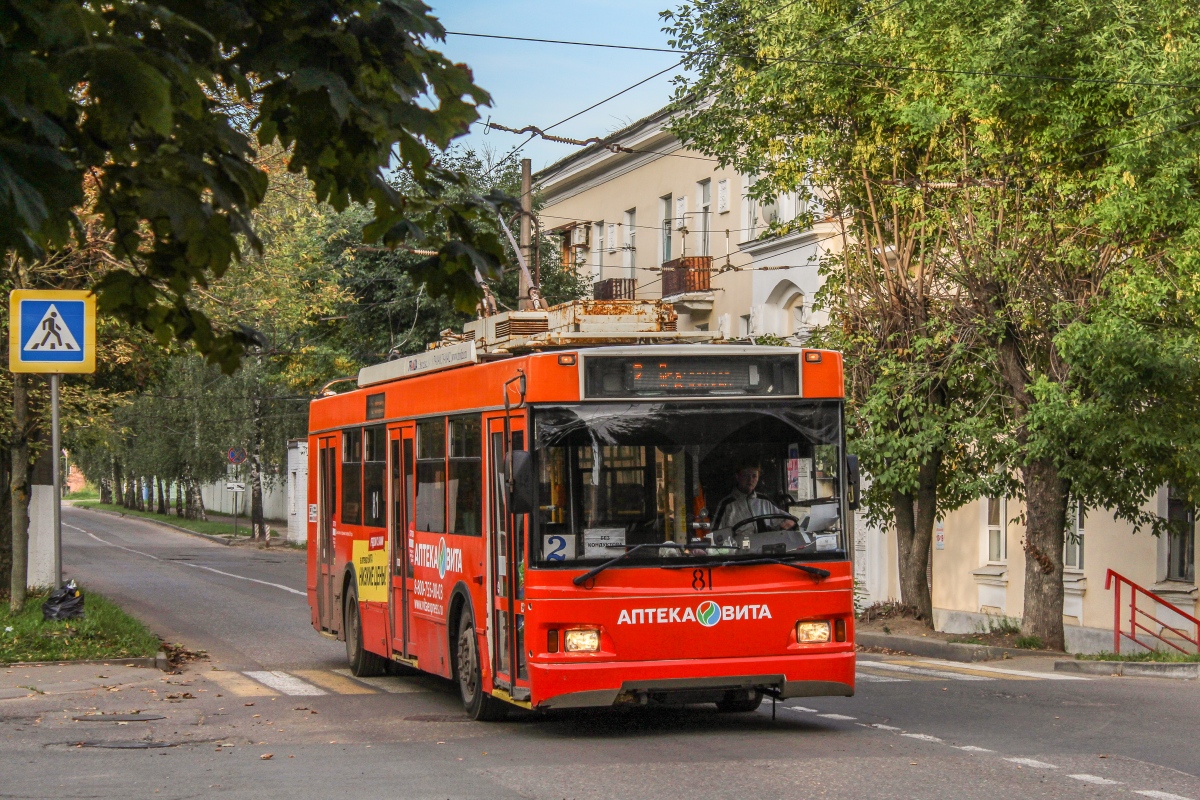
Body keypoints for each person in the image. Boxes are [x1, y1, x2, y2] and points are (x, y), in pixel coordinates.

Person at [712, 462, 796, 535]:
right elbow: (714, 534)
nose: (750, 480)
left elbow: (790, 519)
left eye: (754, 476)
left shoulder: (765, 502)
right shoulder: (727, 505)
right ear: (737, 477)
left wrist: (786, 524)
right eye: (746, 476)